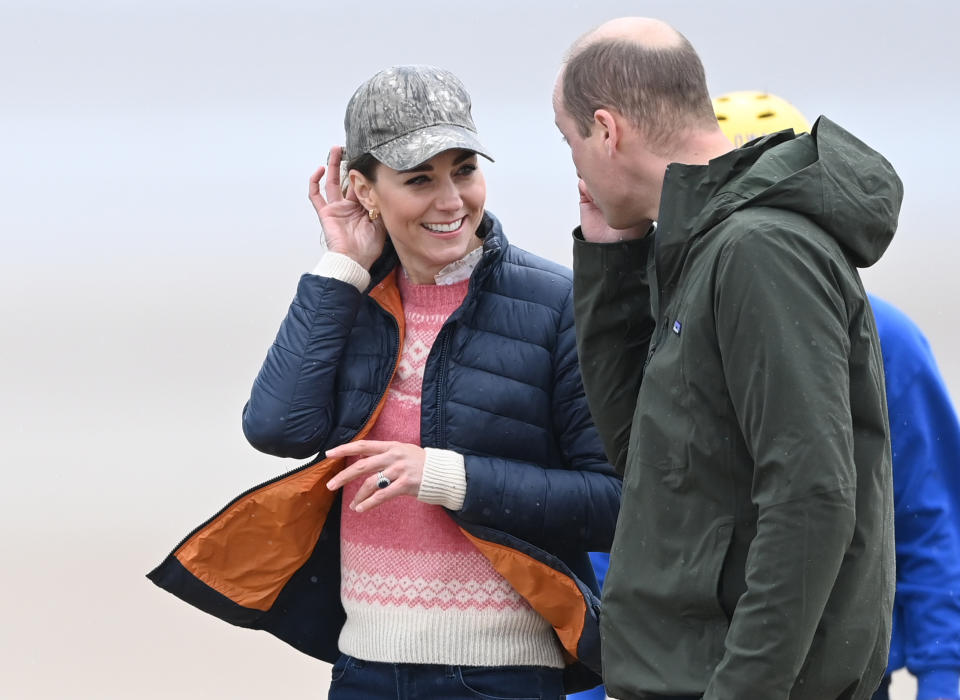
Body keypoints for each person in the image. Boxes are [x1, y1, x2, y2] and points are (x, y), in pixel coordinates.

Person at [148, 64, 619, 699]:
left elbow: (612, 501)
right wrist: (341, 265)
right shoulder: (352, 297)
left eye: (464, 171)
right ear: (363, 189)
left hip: (504, 677)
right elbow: (277, 428)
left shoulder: (557, 303)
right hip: (360, 671)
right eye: (419, 179)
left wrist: (444, 476)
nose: (451, 200)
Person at [554, 17, 903, 700]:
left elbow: (812, 498)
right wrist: (610, 256)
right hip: (687, 676)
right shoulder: (702, 247)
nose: (575, 165)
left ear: (607, 130)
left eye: (569, 142)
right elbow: (647, 462)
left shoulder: (758, 250)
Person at [714, 90, 960, 700]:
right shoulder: (665, 332)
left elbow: (928, 518)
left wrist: (944, 674)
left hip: (841, 672)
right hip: (683, 666)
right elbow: (631, 516)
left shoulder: (888, 339)